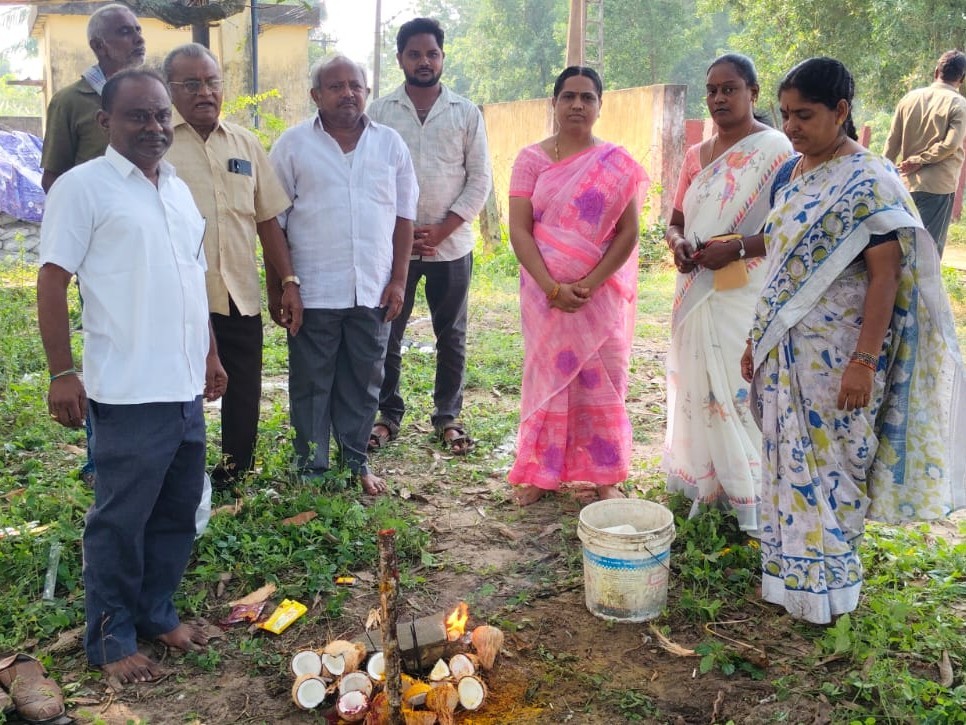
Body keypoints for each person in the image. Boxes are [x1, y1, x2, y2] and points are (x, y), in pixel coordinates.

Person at [741, 57, 966, 624]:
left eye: (805, 115)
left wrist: (863, 362)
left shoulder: (870, 181)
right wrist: (756, 340)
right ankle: (790, 580)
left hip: (837, 354)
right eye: (785, 114)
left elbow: (886, 274)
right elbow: (781, 261)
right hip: (784, 348)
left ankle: (831, 593)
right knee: (785, 464)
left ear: (841, 111)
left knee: (833, 468)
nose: (791, 127)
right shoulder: (793, 174)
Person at [37, 69, 228, 683]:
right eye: (137, 116)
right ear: (105, 123)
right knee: (120, 521)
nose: (153, 128)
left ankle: (154, 612)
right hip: (126, 389)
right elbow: (51, 279)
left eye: (159, 116)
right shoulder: (81, 189)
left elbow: (192, 283)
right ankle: (110, 637)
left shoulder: (175, 189)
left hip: (182, 387)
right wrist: (63, 372)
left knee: (176, 511)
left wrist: (210, 354)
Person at [269, 56, 418, 496]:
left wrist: (398, 280)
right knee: (312, 383)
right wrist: (285, 285)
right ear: (316, 95)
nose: (347, 93)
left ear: (367, 92)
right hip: (314, 289)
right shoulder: (293, 145)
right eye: (335, 86)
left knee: (363, 381)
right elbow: (273, 222)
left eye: (355, 85)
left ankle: (356, 462)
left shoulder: (390, 145)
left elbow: (404, 218)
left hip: (371, 290)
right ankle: (312, 470)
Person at [163, 43, 303, 489]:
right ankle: (176, 471)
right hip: (179, 298)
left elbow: (267, 220)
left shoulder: (246, 143)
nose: (204, 92)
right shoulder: (157, 143)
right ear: (170, 90)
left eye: (212, 82)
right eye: (191, 84)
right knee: (179, 390)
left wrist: (287, 282)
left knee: (243, 390)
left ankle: (232, 471)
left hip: (239, 291)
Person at [507, 66, 648, 506]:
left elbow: (627, 233)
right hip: (544, 294)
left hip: (599, 297)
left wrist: (590, 282)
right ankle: (539, 473)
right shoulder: (530, 160)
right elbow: (520, 231)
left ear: (600, 106)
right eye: (568, 96)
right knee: (546, 374)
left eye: (588, 97)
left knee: (604, 377)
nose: (577, 105)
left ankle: (605, 474)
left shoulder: (616, 164)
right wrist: (552, 287)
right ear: (554, 103)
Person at [663, 53, 793, 532]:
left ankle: (750, 489)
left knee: (740, 387)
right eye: (712, 90)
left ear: (753, 93)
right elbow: (675, 219)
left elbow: (788, 226)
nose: (719, 97)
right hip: (695, 284)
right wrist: (677, 243)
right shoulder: (696, 155)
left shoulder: (778, 150)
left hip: (744, 289)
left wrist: (736, 248)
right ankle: (707, 481)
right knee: (698, 379)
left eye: (730, 88)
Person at [367, 17, 492, 456]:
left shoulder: (465, 112)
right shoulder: (378, 114)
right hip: (393, 247)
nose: (424, 61)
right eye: (415, 54)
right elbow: (369, 180)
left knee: (451, 334)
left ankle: (447, 416)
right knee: (387, 332)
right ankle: (387, 415)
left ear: (442, 57)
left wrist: (442, 230)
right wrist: (399, 234)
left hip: (452, 245)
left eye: (432, 53)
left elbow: (480, 180)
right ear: (400, 58)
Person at [40, 2, 146, 486]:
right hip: (101, 254)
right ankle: (100, 454)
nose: (138, 39)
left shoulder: (153, 91)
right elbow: (53, 178)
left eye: (139, 30)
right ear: (99, 44)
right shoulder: (72, 101)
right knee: (107, 345)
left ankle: (151, 444)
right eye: (126, 33)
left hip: (149, 244)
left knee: (150, 344)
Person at [884, 50, 966, 256]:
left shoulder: (910, 98)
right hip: (938, 188)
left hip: (904, 184)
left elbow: (892, 143)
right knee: (927, 252)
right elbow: (951, 144)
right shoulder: (958, 104)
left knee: (900, 247)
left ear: (936, 71)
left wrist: (885, 175)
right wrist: (920, 160)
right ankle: (919, 289)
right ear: (962, 79)